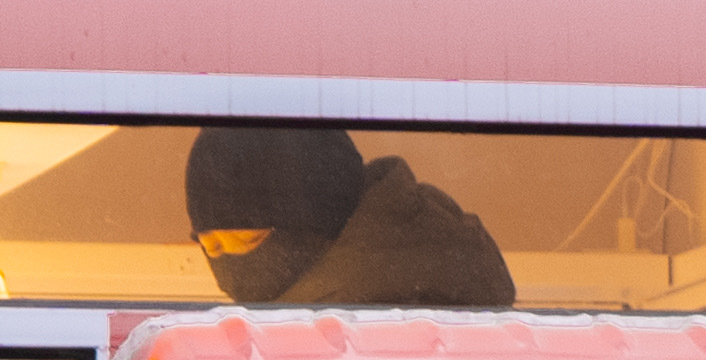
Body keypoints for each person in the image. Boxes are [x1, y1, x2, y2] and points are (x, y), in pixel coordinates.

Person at [187, 122, 517, 308]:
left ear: (315, 220)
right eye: (211, 248)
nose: (231, 270)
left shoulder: (375, 311)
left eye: (248, 240)